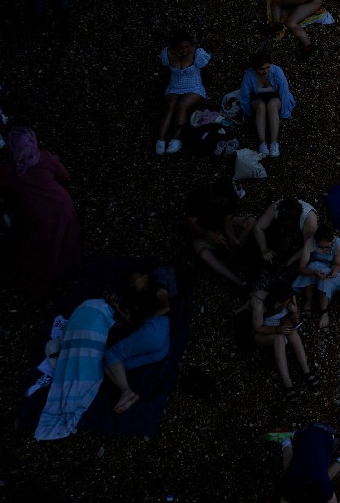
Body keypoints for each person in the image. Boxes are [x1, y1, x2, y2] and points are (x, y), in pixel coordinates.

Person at [0, 126, 83, 301]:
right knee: (66, 242)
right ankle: (68, 276)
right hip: (62, 206)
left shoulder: (8, 170)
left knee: (41, 249)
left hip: (37, 215)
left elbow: (0, 185)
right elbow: (65, 177)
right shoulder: (47, 159)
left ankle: (42, 283)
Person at [104, 268, 172, 413]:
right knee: (113, 365)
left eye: (133, 279)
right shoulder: (138, 303)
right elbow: (134, 325)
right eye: (129, 282)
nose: (131, 283)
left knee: (111, 354)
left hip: (156, 328)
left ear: (145, 277)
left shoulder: (156, 288)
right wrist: (116, 307)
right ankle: (128, 397)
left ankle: (126, 391)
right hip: (159, 350)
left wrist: (148, 319)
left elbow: (166, 307)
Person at [266, 422, 340, 503]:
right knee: (290, 470)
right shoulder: (290, 479)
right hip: (307, 432)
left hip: (325, 433)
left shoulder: (318, 482)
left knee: (323, 475)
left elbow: (332, 500)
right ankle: (286, 440)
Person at [250, 280, 319, 399]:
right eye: (280, 304)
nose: (282, 306)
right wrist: (277, 330)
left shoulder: (288, 294)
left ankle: (306, 369)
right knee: (279, 338)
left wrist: (295, 316)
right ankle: (287, 383)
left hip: (280, 323)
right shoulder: (258, 302)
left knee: (291, 330)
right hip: (263, 331)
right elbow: (258, 328)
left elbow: (294, 314)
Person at [184, 177, 255, 286]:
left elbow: (227, 220)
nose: (222, 202)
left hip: (221, 224)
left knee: (250, 221)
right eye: (220, 200)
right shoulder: (198, 197)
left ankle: (230, 256)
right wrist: (210, 234)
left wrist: (232, 237)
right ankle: (240, 283)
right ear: (212, 192)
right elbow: (190, 223)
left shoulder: (231, 197)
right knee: (205, 255)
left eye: (224, 200)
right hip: (203, 232)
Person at [156, 30, 211, 155]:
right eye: (180, 48)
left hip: (194, 87)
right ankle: (160, 141)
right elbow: (165, 72)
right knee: (169, 107)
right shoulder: (167, 54)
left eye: (187, 46)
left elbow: (206, 71)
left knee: (182, 105)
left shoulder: (198, 54)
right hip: (174, 86)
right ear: (174, 48)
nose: (185, 50)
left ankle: (176, 139)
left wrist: (211, 81)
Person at [238, 51, 296, 158]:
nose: (265, 71)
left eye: (268, 67)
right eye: (262, 69)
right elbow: (244, 97)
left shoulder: (277, 71)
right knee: (261, 106)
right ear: (255, 68)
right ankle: (262, 143)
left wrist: (284, 114)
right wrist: (249, 115)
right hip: (257, 100)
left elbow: (284, 93)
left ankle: (274, 143)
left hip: (275, 99)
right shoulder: (249, 75)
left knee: (272, 105)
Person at [292, 224, 340, 328]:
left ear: (332, 241)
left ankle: (324, 311)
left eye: (327, 247)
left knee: (325, 280)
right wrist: (314, 273)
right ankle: (308, 301)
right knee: (312, 268)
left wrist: (334, 272)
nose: (323, 249)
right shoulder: (310, 243)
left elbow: (337, 263)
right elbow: (302, 267)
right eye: (320, 246)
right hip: (317, 264)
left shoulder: (338, 246)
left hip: (332, 266)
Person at [252, 197, 318, 268]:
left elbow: (309, 246)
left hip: (303, 231)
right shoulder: (276, 207)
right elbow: (258, 227)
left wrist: (288, 262)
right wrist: (264, 249)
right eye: (282, 222)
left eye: (287, 223)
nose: (285, 224)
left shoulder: (309, 219)